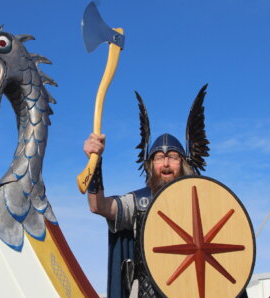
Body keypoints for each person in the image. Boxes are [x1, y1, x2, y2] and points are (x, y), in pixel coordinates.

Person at [83, 86, 210, 298]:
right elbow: (98, 206)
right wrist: (95, 163)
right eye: (159, 157)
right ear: (150, 165)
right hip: (148, 290)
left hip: (193, 288)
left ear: (184, 163)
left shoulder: (201, 202)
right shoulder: (139, 202)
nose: (166, 163)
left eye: (173, 157)